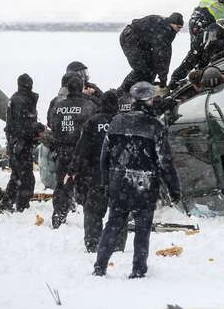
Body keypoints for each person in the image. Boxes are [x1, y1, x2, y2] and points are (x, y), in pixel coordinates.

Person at [93, 82, 181, 279]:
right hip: (145, 185)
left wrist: (106, 182)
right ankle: (138, 269)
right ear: (149, 99)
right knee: (142, 229)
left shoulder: (116, 121)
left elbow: (104, 157)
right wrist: (175, 189)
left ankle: (100, 266)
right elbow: (165, 161)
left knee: (113, 225)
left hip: (118, 181)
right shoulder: (156, 126)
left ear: (132, 99)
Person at [69, 89, 126, 252]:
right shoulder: (124, 121)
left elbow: (82, 148)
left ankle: (93, 242)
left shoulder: (93, 122)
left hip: (98, 173)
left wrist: (74, 168)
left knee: (93, 210)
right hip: (120, 173)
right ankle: (117, 243)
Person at [47, 75, 97, 228]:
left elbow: (51, 123)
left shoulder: (58, 106)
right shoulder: (89, 106)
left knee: (62, 184)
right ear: (82, 88)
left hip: (62, 150)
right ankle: (90, 219)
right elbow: (94, 127)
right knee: (87, 185)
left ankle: (58, 214)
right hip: (82, 151)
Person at [2, 74, 45, 211]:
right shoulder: (21, 100)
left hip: (16, 144)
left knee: (17, 175)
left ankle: (8, 201)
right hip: (21, 144)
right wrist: (38, 128)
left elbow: (16, 125)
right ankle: (22, 206)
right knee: (26, 179)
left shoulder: (16, 99)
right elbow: (22, 126)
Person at [118, 13, 184, 92]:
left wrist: (163, 78)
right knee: (142, 70)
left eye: (181, 28)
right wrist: (163, 80)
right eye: (178, 27)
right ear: (171, 23)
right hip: (129, 39)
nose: (178, 30)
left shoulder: (169, 30)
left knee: (151, 68)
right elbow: (160, 55)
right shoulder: (163, 30)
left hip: (142, 43)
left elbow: (166, 52)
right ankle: (122, 92)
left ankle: (145, 91)